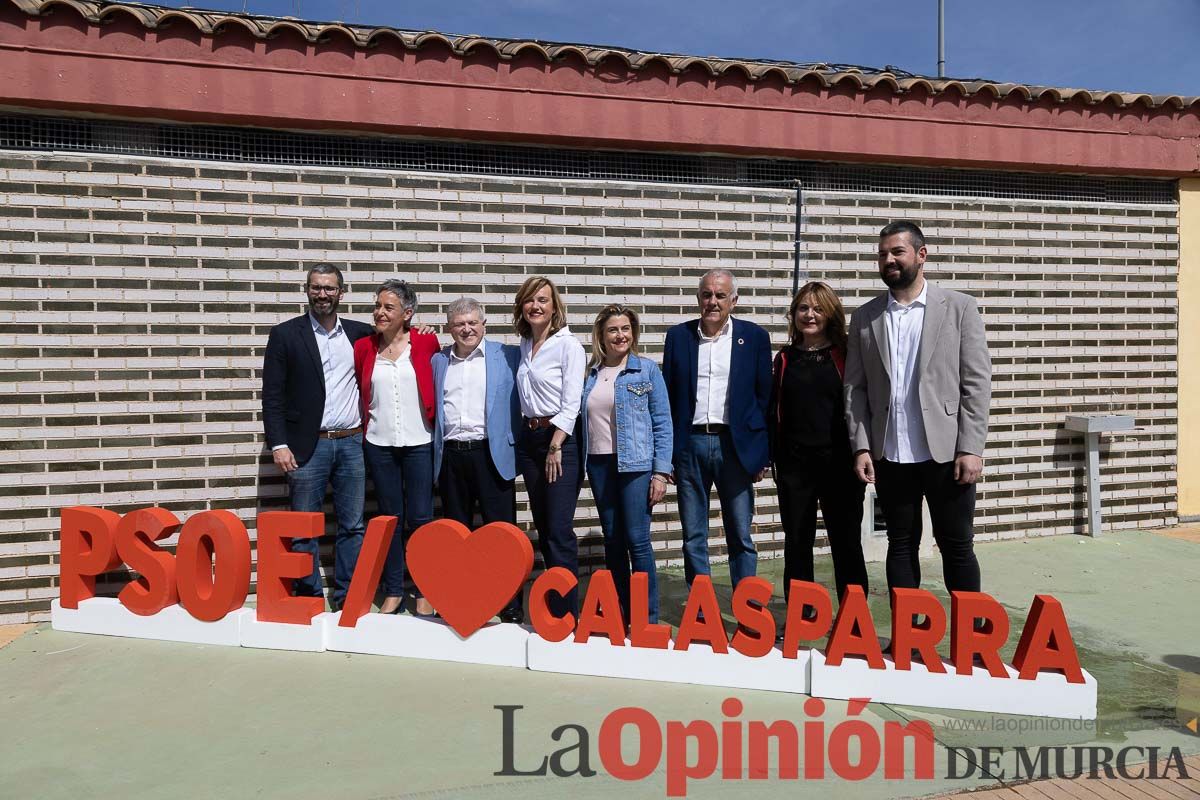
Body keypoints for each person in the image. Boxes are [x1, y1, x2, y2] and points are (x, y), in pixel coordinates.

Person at [844, 220, 992, 596]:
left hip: (947, 455)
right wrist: (861, 446)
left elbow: (976, 383)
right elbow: (854, 389)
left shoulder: (959, 308)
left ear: (921, 255)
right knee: (901, 544)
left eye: (897, 252)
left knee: (957, 546)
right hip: (891, 455)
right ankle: (907, 641)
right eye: (882, 254)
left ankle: (970, 643)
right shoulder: (866, 317)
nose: (888, 260)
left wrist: (971, 448)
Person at [261, 263, 371, 612]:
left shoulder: (361, 334)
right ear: (307, 290)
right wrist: (278, 443)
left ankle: (348, 598)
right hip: (307, 446)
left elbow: (401, 341)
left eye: (330, 288)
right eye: (316, 287)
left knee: (353, 525)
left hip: (352, 443)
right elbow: (273, 395)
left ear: (342, 292)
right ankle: (308, 598)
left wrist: (421, 328)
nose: (323, 294)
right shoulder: (285, 335)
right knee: (303, 526)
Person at [662, 269, 772, 590]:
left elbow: (763, 399)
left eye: (720, 295)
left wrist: (761, 454)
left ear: (733, 301)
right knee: (693, 535)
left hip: (734, 447)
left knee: (740, 533)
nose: (713, 301)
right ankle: (701, 613)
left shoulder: (754, 338)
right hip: (690, 446)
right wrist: (668, 454)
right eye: (707, 295)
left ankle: (747, 606)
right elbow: (669, 398)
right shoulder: (678, 337)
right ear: (699, 299)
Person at [769, 282, 868, 611]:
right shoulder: (784, 359)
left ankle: (854, 617)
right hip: (795, 467)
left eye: (818, 308)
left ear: (831, 314)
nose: (809, 315)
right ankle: (801, 613)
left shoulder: (846, 355)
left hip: (839, 466)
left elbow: (860, 406)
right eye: (803, 308)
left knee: (846, 543)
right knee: (797, 543)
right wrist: (773, 458)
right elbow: (775, 409)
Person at [431, 297, 524, 623]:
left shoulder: (507, 355)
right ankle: (459, 601)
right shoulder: (439, 361)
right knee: (456, 534)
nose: (467, 329)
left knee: (502, 534)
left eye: (473, 322)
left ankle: (511, 606)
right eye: (459, 324)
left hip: (491, 455)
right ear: (450, 328)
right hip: (451, 457)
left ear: (483, 324)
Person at [580, 305, 673, 625]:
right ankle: (620, 612)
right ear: (601, 336)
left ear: (633, 333)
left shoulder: (646, 371)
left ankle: (646, 618)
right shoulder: (590, 374)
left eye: (625, 329)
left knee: (637, 539)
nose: (620, 335)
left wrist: (661, 472)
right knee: (612, 539)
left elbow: (663, 422)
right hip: (599, 464)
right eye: (613, 330)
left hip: (636, 465)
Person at [352, 279, 440, 615]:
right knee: (389, 518)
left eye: (388, 307)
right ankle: (392, 589)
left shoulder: (426, 341)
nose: (380, 312)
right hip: (380, 444)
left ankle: (422, 588)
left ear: (408, 313)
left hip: (420, 442)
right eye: (378, 306)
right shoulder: (364, 347)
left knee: (421, 519)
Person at [513, 276, 586, 620]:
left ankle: (566, 614)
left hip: (560, 442)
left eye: (542, 300)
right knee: (543, 527)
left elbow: (572, 401)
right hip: (531, 441)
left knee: (558, 528)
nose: (535, 306)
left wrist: (555, 445)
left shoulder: (568, 345)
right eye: (529, 300)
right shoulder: (526, 344)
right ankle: (553, 608)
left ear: (554, 306)